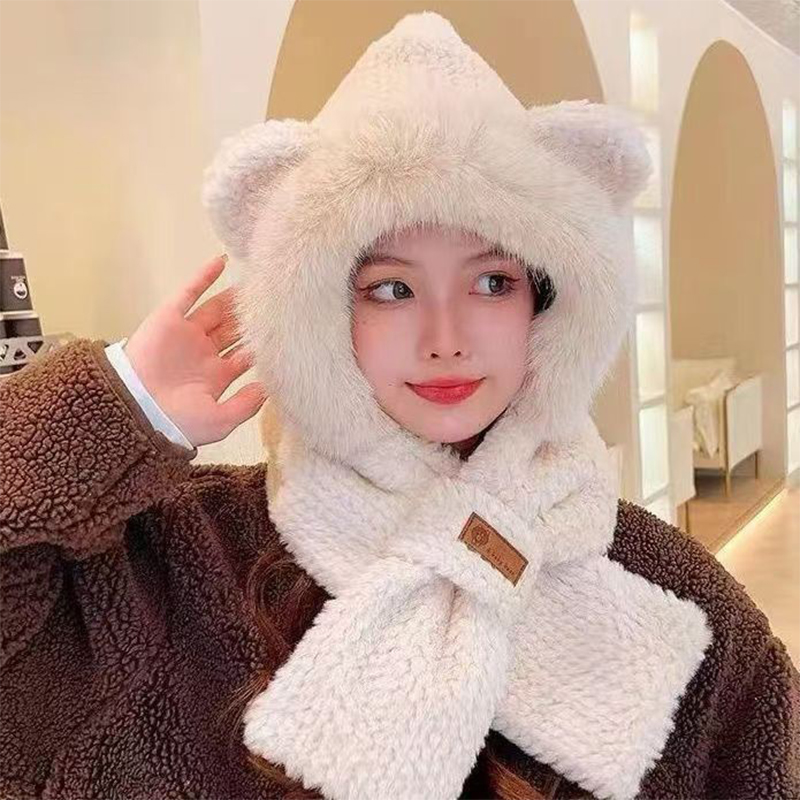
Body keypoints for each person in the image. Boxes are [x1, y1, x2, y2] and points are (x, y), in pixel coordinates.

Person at [1, 11, 798, 800]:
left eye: (492, 282)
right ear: (322, 315)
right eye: (391, 289)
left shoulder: (670, 592)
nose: (445, 339)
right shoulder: (184, 561)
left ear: (546, 304)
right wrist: (118, 404)